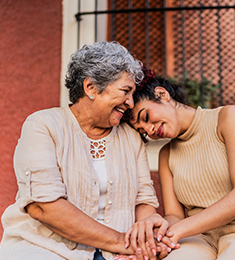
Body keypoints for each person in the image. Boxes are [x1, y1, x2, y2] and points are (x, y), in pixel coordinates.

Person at [0, 42, 168, 260]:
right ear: (91, 88)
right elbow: (44, 207)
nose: (130, 102)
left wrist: (145, 240)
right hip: (45, 249)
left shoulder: (130, 137)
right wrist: (121, 243)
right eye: (125, 91)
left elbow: (143, 201)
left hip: (118, 253)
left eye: (132, 94)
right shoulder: (43, 125)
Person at [126, 68, 235, 260]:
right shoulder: (166, 154)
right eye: (142, 131)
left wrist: (179, 229)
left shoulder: (227, 117)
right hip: (197, 239)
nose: (150, 130)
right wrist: (157, 240)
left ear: (162, 94)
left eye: (146, 117)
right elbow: (175, 216)